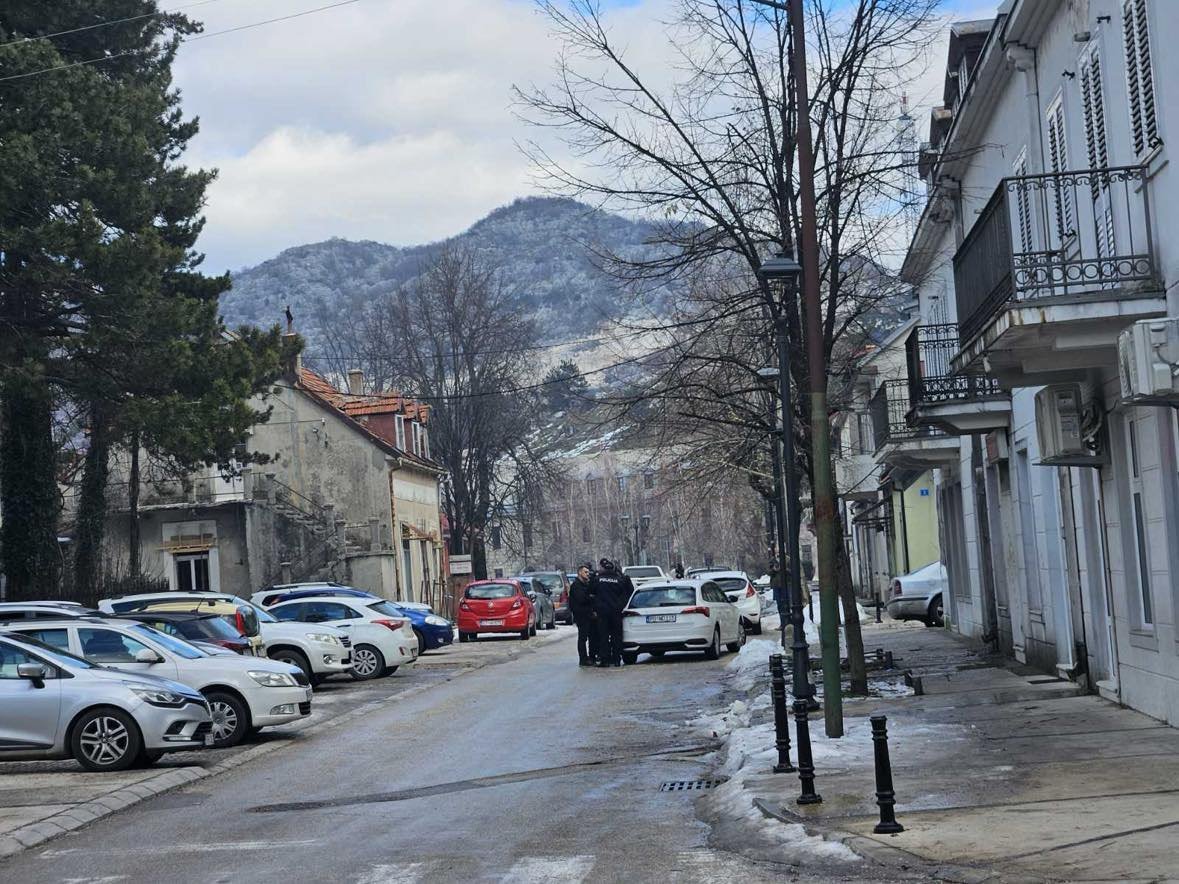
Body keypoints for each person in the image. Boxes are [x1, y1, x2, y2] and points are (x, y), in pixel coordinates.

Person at [591, 558, 633, 667]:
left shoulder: (597, 579)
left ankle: (605, 659)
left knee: (603, 636)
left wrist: (596, 607)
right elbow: (626, 594)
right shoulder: (619, 580)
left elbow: (591, 592)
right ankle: (617, 659)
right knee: (617, 636)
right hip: (616, 612)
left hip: (602, 612)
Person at [569, 563, 599, 666]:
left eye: (588, 572)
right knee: (583, 638)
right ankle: (583, 659)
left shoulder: (586, 584)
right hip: (581, 615)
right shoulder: (576, 586)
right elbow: (582, 599)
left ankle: (592, 656)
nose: (588, 574)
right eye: (585, 572)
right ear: (579, 572)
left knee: (593, 636)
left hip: (589, 614)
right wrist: (590, 597)